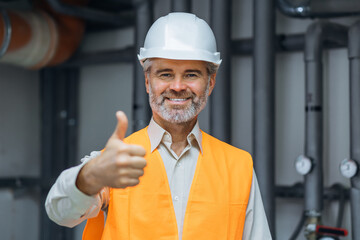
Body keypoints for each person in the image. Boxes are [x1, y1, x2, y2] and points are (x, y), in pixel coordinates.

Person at [45, 12, 272, 240]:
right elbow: (61, 213)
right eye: (165, 74)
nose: (177, 86)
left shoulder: (239, 167)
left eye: (191, 74)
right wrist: (89, 176)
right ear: (147, 81)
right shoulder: (115, 162)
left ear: (210, 83)